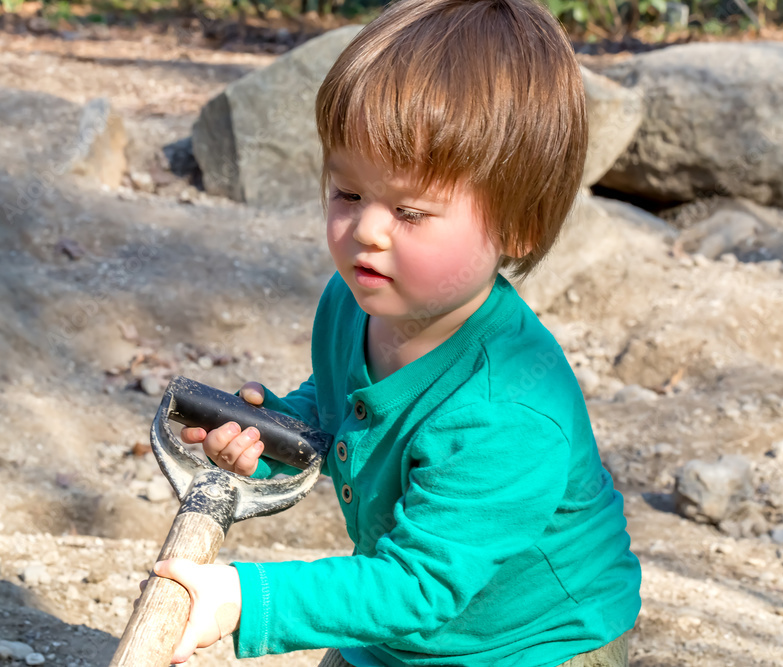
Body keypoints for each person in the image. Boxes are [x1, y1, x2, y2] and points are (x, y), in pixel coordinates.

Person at [143, 0, 643, 665]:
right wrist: (277, 433)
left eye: (409, 209)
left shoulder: (510, 410)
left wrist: (243, 597)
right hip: (406, 623)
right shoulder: (354, 303)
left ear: (517, 226)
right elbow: (338, 400)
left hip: (534, 642)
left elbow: (419, 582)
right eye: (348, 194)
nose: (366, 232)